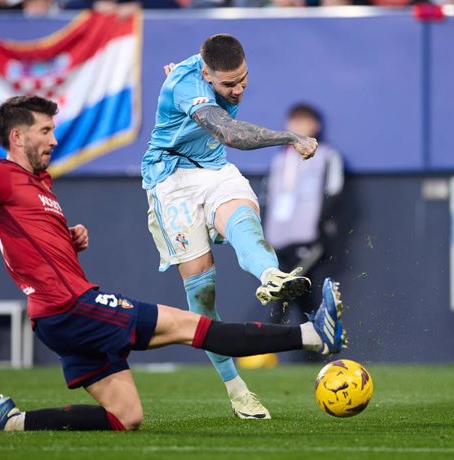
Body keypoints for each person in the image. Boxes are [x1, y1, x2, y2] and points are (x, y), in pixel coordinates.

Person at [0, 95, 346, 432]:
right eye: (45, 131)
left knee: (126, 417)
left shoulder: (39, 184)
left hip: (56, 318)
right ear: (18, 136)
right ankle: (311, 335)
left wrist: (69, 239)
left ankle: (10, 420)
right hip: (72, 306)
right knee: (191, 326)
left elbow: (25, 243)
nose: (54, 139)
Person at [141, 34, 318, 419]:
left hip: (214, 168)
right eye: (228, 85)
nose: (238, 90)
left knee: (243, 218)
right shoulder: (187, 86)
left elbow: (213, 112)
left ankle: (271, 275)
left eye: (243, 79)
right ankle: (237, 390)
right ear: (207, 74)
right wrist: (290, 137)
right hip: (171, 180)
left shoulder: (204, 68)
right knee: (202, 291)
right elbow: (231, 134)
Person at [263, 103, 344, 328]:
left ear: (315, 126)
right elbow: (269, 197)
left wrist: (321, 229)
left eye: (304, 121)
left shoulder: (327, 156)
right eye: (294, 121)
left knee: (290, 289)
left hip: (309, 237)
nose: (298, 126)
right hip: (278, 237)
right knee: (298, 293)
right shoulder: (279, 160)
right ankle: (314, 344)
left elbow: (334, 193)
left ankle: (267, 339)